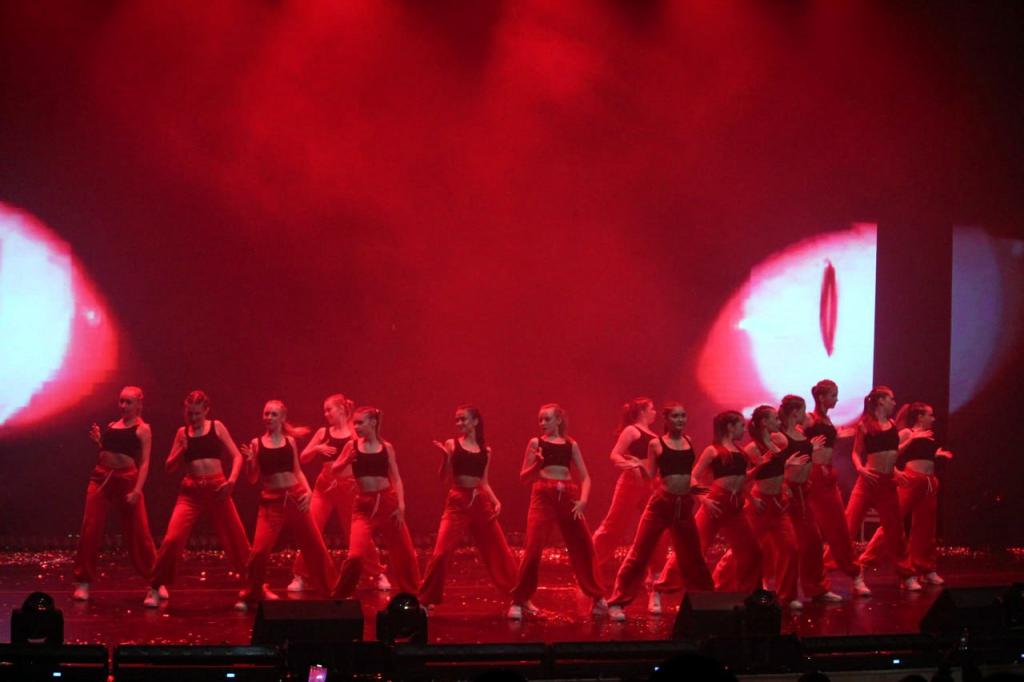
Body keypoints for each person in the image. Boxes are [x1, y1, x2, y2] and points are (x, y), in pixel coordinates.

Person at [606, 403, 713, 621]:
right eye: (675, 416)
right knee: (639, 554)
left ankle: (706, 602)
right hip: (661, 504)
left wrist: (704, 496)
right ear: (667, 420)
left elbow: (689, 477)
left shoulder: (688, 441)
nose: (680, 420)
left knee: (694, 556)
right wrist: (637, 465)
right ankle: (617, 602)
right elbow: (651, 475)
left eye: (683, 416)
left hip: (684, 505)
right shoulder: (656, 444)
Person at [147, 391, 250, 607]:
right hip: (191, 491)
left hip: (217, 487)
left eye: (196, 414)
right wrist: (181, 451)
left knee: (236, 537)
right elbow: (168, 467)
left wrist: (231, 481)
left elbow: (237, 456)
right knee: (173, 539)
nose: (193, 418)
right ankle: (155, 586)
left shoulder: (217, 427)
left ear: (206, 411)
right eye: (189, 414)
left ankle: (254, 585)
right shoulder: (182, 433)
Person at [507, 404, 607, 620]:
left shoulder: (571, 444)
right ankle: (520, 600)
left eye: (547, 419)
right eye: (540, 419)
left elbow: (586, 477)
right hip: (543, 495)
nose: (542, 423)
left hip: (568, 495)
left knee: (583, 545)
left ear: (558, 420)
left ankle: (597, 597)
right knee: (533, 547)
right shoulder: (536, 443)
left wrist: (583, 501)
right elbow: (524, 477)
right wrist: (537, 465)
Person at [236, 400, 335, 609]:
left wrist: (308, 492)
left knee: (314, 545)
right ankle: (253, 592)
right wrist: (250, 461)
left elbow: (297, 470)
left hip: (295, 496)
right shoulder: (256, 443)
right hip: (271, 501)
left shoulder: (290, 441)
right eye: (266, 414)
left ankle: (332, 590)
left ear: (282, 418)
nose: (269, 418)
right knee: (259, 551)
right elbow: (253, 479)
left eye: (273, 414)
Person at [419, 405, 518, 610]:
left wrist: (496, 501)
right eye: (457, 420)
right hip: (458, 501)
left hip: (480, 501)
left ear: (475, 421)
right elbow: (443, 477)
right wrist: (445, 458)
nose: (459, 423)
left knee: (499, 551)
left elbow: (484, 482)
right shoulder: (452, 444)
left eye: (463, 419)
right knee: (441, 552)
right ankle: (425, 600)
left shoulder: (486, 451)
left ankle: (520, 598)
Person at [287, 394, 388, 593]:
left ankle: (377, 573)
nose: (326, 414)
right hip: (324, 488)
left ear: (341, 409)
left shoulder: (355, 431)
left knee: (357, 533)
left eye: (329, 409)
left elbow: (371, 452)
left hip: (349, 488)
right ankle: (300, 575)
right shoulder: (323, 432)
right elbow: (303, 457)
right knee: (312, 528)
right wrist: (317, 448)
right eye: (324, 410)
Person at [72, 386, 157, 601]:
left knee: (138, 532)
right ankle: (83, 581)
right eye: (121, 401)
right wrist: (99, 441)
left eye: (128, 402)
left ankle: (156, 581)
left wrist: (137, 490)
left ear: (139, 404)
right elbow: (107, 452)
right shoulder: (112, 425)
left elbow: (145, 463)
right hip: (101, 477)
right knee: (90, 528)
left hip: (127, 479)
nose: (123, 406)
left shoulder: (143, 429)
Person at [858, 402, 952, 585]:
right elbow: (889, 453)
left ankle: (925, 567)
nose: (933, 419)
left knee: (926, 528)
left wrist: (936, 455)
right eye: (930, 415)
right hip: (911, 480)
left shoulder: (928, 435)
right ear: (920, 417)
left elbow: (920, 455)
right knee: (892, 523)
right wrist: (895, 471)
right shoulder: (908, 432)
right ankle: (865, 562)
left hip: (929, 483)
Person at [331, 407, 421, 599]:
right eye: (354, 423)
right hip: (364, 505)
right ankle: (339, 597)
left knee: (405, 553)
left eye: (360, 423)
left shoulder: (386, 447)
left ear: (373, 423)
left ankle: (415, 596)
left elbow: (396, 478)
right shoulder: (352, 446)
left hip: (388, 502)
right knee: (355, 555)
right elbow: (335, 469)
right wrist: (346, 460)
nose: (356, 427)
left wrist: (401, 505)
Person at [592, 398, 671, 613]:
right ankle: (590, 566)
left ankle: (654, 583)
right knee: (613, 526)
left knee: (657, 533)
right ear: (643, 411)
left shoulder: (655, 437)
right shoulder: (632, 430)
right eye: (652, 408)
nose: (655, 412)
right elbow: (615, 454)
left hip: (651, 485)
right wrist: (631, 465)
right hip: (631, 483)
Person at [845, 386, 918, 591]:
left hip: (887, 483)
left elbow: (891, 453)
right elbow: (855, 453)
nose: (894, 402)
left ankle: (906, 575)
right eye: (890, 399)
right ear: (880, 401)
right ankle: (840, 571)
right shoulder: (865, 425)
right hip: (868, 481)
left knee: (895, 530)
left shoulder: (892, 424)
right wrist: (860, 469)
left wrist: (896, 471)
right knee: (848, 526)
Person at [804, 380, 869, 597]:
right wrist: (809, 450)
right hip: (812, 477)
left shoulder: (827, 420)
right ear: (821, 397)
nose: (837, 399)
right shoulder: (809, 419)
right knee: (810, 535)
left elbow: (832, 439)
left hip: (828, 477)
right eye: (833, 395)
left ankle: (854, 574)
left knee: (839, 529)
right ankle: (817, 585)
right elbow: (791, 439)